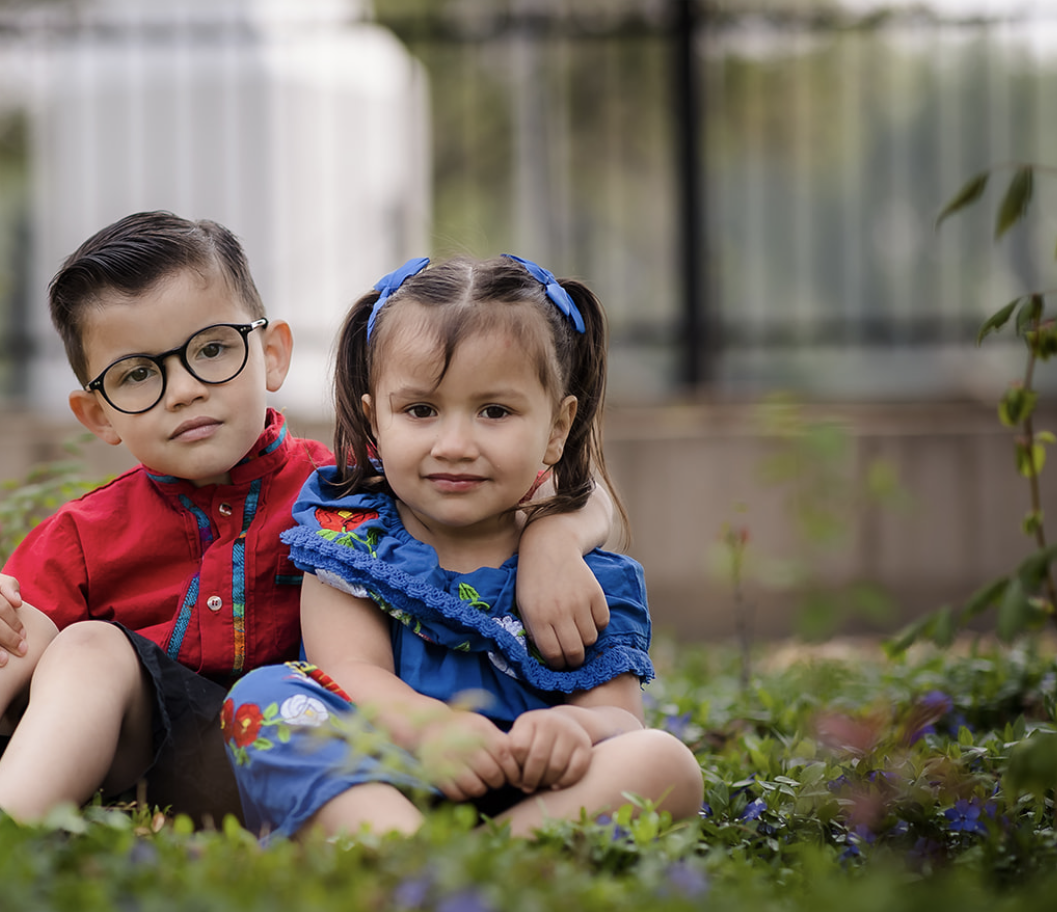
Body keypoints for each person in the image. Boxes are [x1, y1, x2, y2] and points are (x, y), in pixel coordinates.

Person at [0, 214, 619, 831]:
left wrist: (552, 538)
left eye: (212, 352)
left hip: (317, 746)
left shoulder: (348, 485)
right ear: (97, 415)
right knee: (53, 632)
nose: (183, 388)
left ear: (270, 354)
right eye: (139, 374)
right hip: (160, 758)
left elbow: (563, 487)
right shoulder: (86, 530)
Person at [222, 254, 703, 840]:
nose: (453, 444)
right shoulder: (351, 541)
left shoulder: (586, 577)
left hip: (531, 785)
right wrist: (432, 729)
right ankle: (403, 844)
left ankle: (486, 856)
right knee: (266, 700)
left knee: (664, 762)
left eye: (494, 411)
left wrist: (577, 731)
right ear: (376, 421)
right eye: (420, 410)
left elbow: (621, 716)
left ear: (557, 428)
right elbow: (349, 670)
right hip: (392, 771)